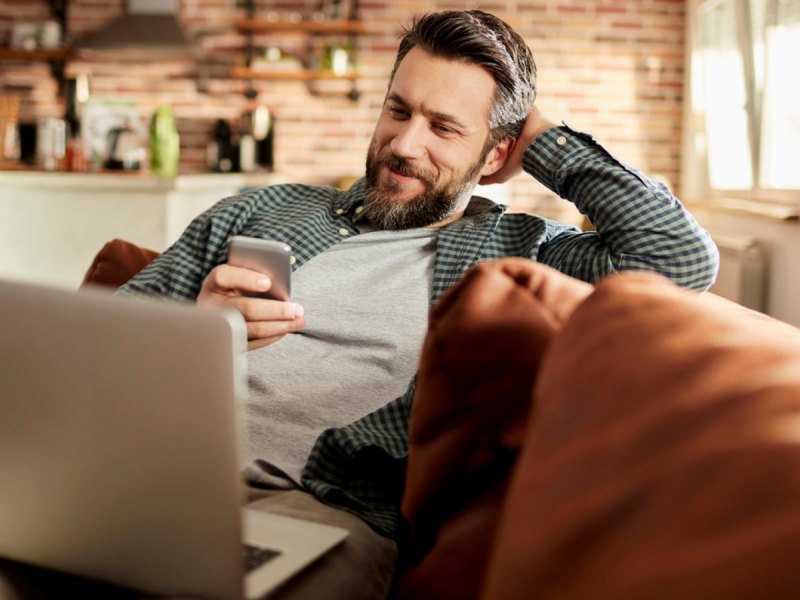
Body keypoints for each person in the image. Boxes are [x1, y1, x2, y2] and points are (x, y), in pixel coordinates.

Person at [119, 9, 719, 599]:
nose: (404, 144)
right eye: (398, 110)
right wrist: (194, 329)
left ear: (494, 155)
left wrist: (539, 138)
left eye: (445, 126)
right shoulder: (261, 210)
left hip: (313, 506)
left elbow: (679, 259)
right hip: (147, 465)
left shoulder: (525, 255)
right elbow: (101, 341)